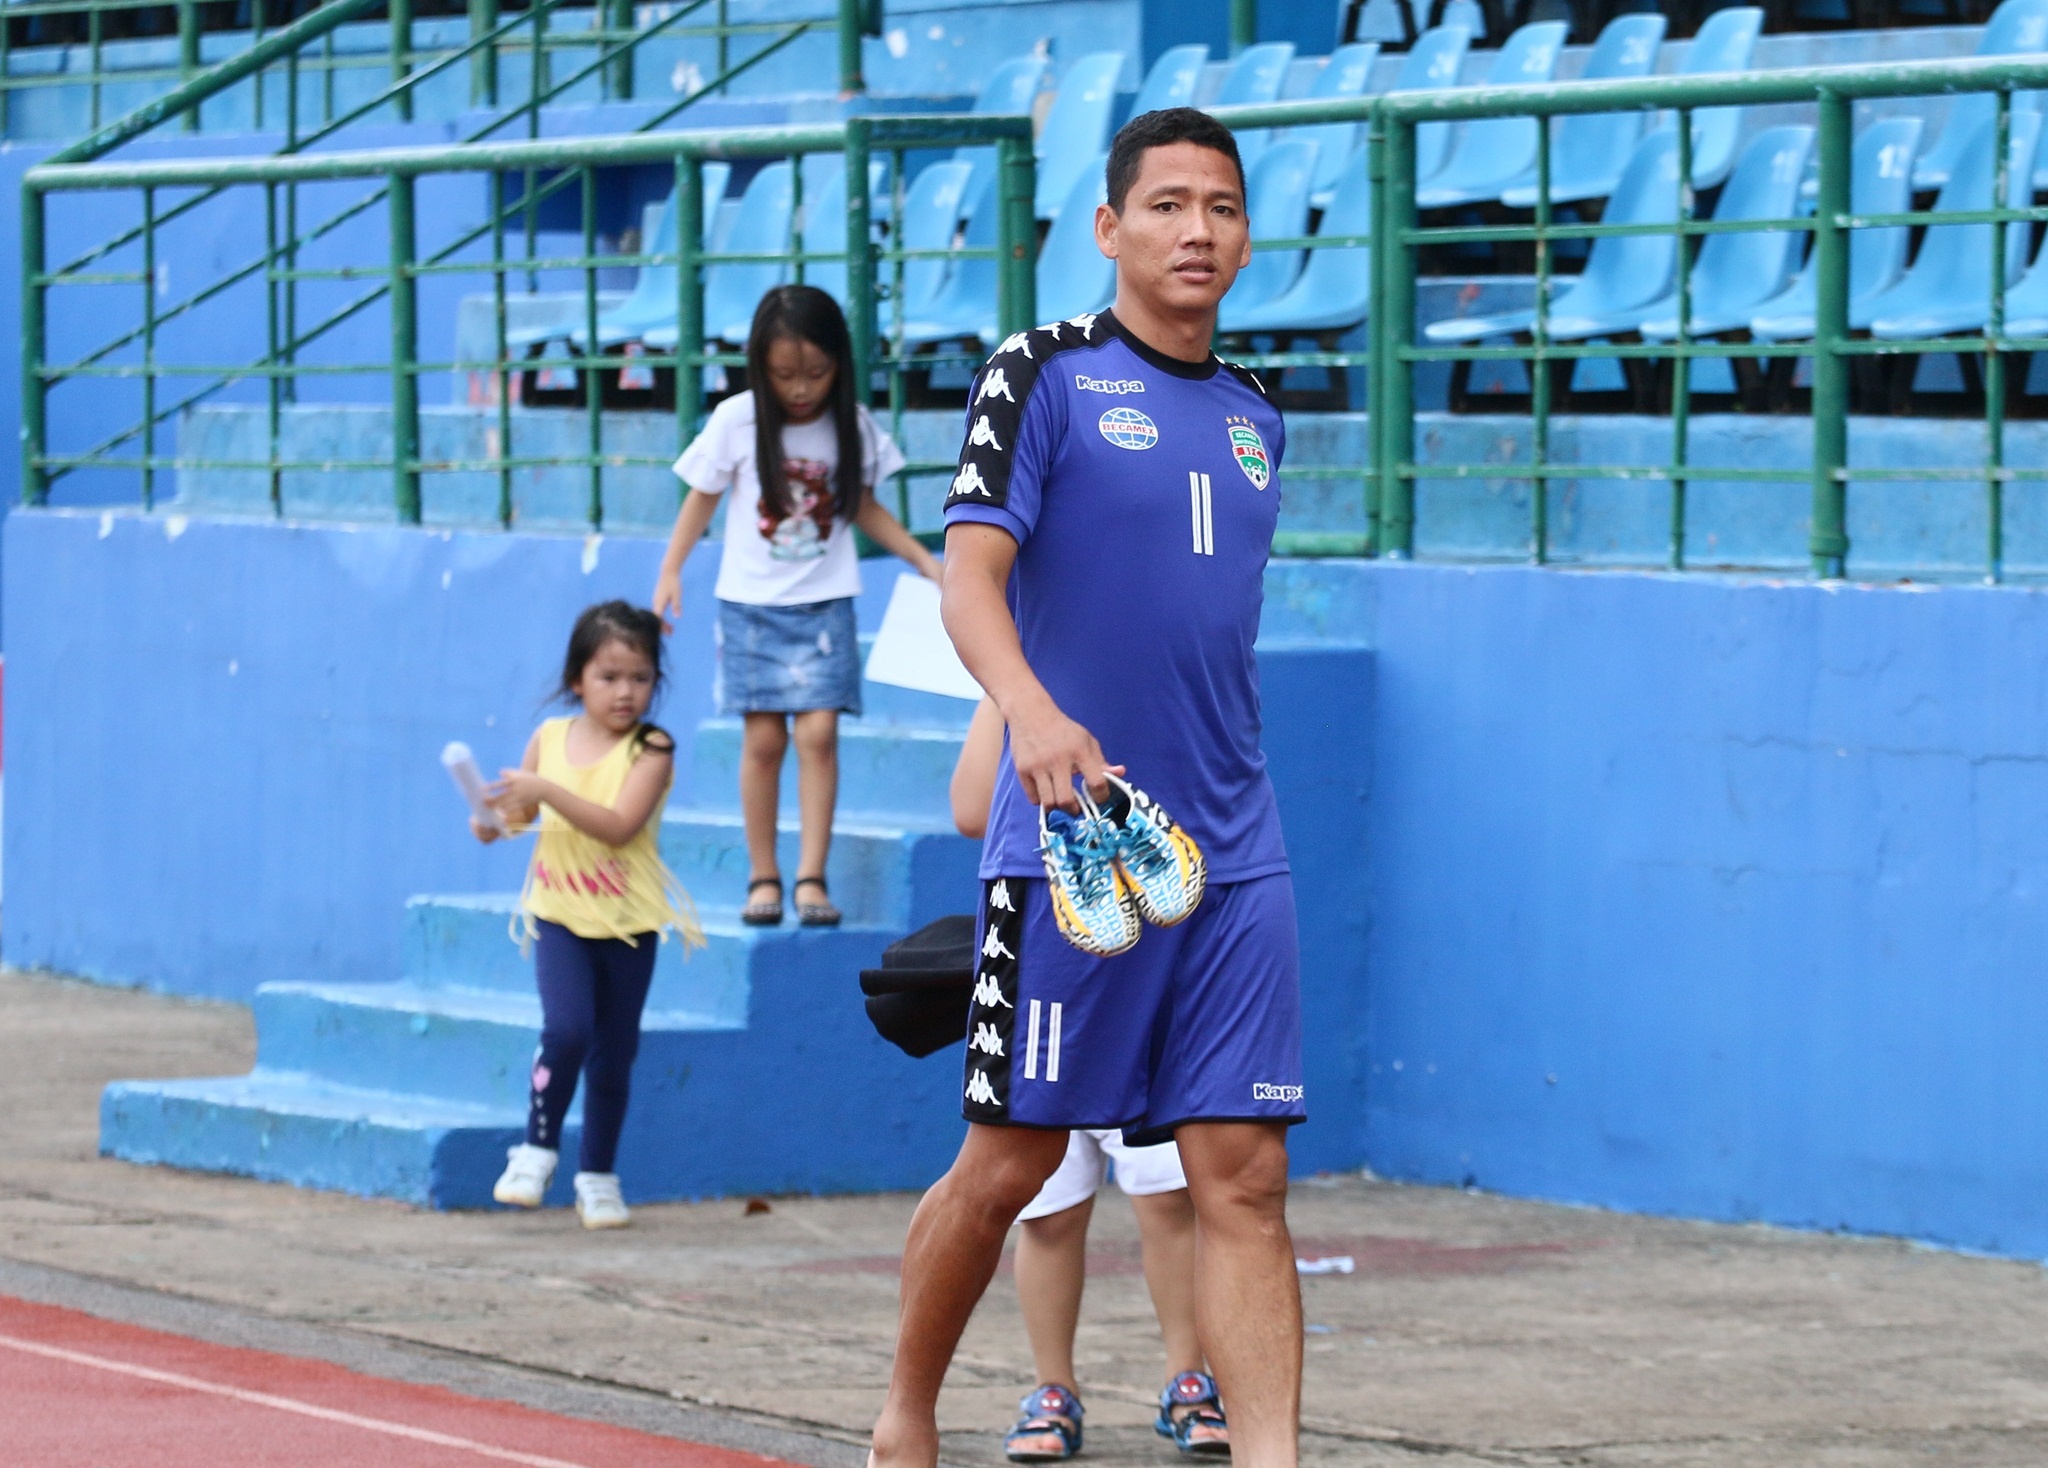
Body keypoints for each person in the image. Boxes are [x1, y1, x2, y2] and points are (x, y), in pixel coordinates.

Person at [872, 107, 1304, 1468]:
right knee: (1009, 1166)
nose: (1198, 230)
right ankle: (906, 1414)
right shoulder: (1041, 374)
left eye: (1222, 208)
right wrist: (1033, 715)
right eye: (1167, 204)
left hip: (1235, 852)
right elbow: (970, 578)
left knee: (1244, 1176)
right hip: (1071, 846)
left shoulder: (1257, 417)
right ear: (1109, 228)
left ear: (1246, 238)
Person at [952, 699, 1230, 1462]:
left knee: (1170, 1199)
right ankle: (1053, 1390)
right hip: (1050, 984)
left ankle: (1189, 1380)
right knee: (1045, 1210)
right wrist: (1012, 716)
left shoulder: (1148, 676)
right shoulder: (1009, 695)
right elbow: (971, 809)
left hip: (1149, 980)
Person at [652, 284, 939, 929]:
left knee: (818, 733)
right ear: (759, 367)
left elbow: (861, 505)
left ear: (840, 362)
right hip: (751, 605)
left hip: (824, 601)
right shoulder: (737, 419)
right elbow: (700, 496)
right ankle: (764, 874)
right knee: (761, 740)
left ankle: (811, 874)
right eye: (784, 375)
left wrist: (921, 559)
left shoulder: (852, 425)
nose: (801, 389)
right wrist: (671, 569)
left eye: (816, 372)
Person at [474, 600, 706, 1229]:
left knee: (613, 1055)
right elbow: (515, 818)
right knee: (568, 1030)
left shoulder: (652, 749)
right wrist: (491, 822)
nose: (625, 692)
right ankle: (537, 1147)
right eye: (609, 677)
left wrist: (543, 791)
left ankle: (598, 1175)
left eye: (640, 677)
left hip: (630, 926)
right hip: (558, 915)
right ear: (577, 679)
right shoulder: (549, 739)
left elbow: (617, 826)